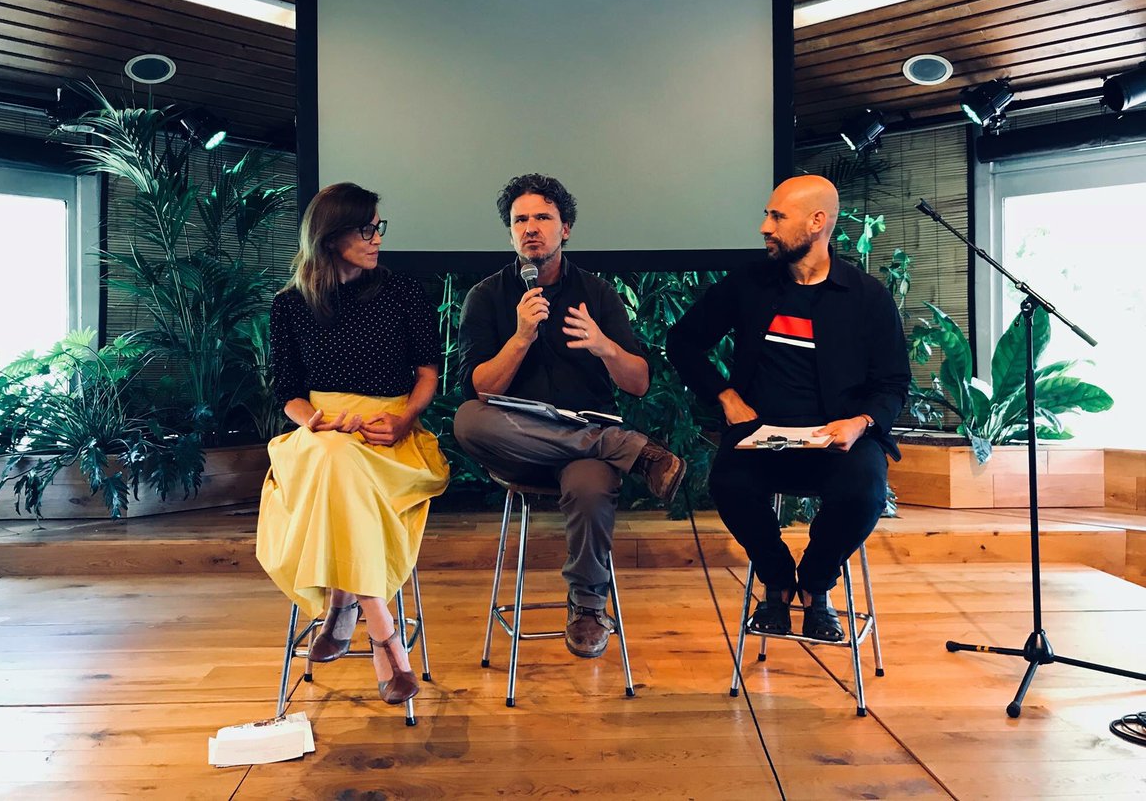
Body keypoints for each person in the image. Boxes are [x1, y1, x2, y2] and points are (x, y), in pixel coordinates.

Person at [666, 175, 910, 641]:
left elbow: (894, 382)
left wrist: (861, 423)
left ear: (817, 222)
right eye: (767, 215)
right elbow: (682, 341)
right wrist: (725, 396)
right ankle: (776, 580)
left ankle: (816, 585)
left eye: (777, 217)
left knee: (865, 492)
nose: (765, 227)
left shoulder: (866, 296)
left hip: (838, 439)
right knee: (728, 483)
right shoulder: (749, 284)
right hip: (762, 434)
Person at [452, 173, 686, 660]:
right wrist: (520, 337)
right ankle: (626, 448)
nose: (530, 228)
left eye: (543, 217)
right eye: (520, 220)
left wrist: (604, 347)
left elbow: (639, 383)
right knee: (469, 419)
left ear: (566, 229)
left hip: (584, 445)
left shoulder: (598, 294)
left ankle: (588, 606)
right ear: (509, 233)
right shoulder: (486, 297)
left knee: (590, 486)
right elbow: (479, 389)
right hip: (521, 444)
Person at [256, 182, 449, 705]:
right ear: (330, 236)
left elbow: (428, 373)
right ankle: (384, 632)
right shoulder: (289, 304)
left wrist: (404, 419)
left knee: (340, 471)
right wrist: (314, 423)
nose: (376, 238)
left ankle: (343, 607)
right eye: (365, 229)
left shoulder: (402, 291)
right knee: (334, 459)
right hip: (321, 435)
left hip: (390, 436)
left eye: (377, 228)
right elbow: (288, 393)